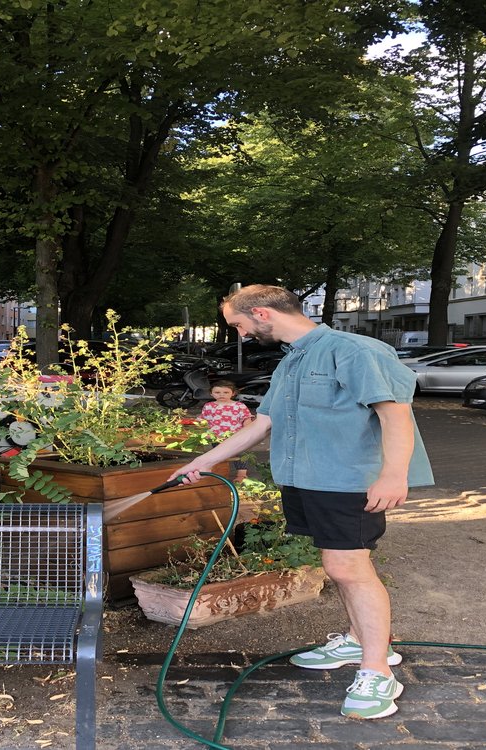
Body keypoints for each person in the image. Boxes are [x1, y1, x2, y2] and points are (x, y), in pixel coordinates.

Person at [170, 284, 434, 720]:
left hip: (348, 481)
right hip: (308, 478)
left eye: (239, 324)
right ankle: (359, 640)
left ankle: (378, 669)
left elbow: (395, 413)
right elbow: (263, 423)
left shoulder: (353, 350)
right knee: (338, 565)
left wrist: (393, 475)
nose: (240, 334)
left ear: (261, 313)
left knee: (348, 568)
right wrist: (203, 461)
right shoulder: (293, 359)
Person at [199, 380, 252, 481]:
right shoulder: (209, 406)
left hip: (236, 436)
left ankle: (241, 475)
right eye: (217, 392)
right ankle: (221, 474)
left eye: (226, 392)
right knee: (218, 455)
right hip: (216, 437)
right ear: (211, 393)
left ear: (233, 393)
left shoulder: (239, 406)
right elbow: (204, 420)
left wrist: (248, 433)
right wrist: (203, 431)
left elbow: (246, 419)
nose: (221, 395)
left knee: (240, 455)